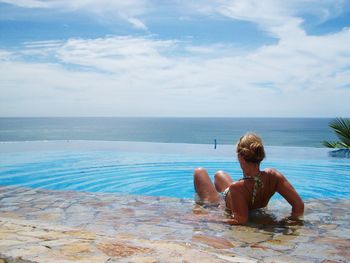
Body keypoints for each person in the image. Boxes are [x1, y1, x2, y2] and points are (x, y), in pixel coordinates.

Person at [193, 133, 304, 225]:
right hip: (242, 196)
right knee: (219, 174)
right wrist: (285, 223)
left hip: (225, 202)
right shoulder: (274, 176)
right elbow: (299, 206)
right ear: (261, 155)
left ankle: (201, 203)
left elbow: (240, 220)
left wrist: (206, 218)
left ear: (240, 157)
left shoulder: (237, 188)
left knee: (199, 171)